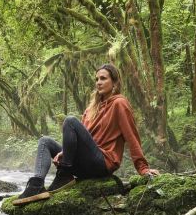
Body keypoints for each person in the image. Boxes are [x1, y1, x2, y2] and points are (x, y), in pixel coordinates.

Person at [13, 63, 159, 206]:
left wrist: (143, 168)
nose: (98, 83)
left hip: (102, 162)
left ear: (114, 82)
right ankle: (36, 186)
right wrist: (64, 152)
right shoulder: (91, 109)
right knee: (45, 141)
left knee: (70, 121)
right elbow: (82, 139)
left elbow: (131, 136)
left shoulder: (119, 104)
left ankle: (64, 174)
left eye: (103, 78)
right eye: (96, 79)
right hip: (85, 163)